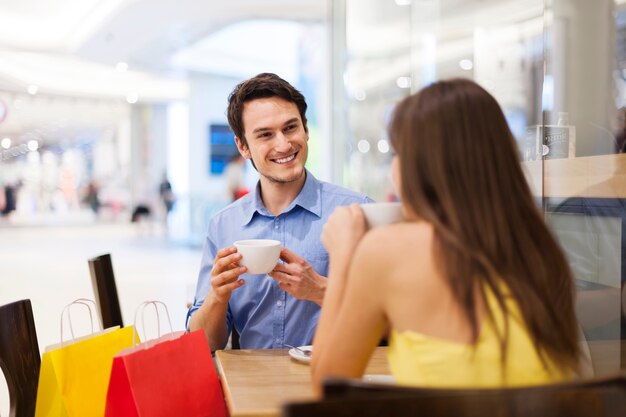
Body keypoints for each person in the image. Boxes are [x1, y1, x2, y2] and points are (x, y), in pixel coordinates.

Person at [312, 79, 580, 391]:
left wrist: (345, 253)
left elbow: (326, 389)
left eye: (398, 154)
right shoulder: (538, 249)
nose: (393, 169)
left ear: (421, 166)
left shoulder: (387, 251)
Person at [186, 73, 371, 350]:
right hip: (249, 388)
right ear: (243, 146)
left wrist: (319, 289)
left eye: (291, 128)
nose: (283, 145)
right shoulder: (224, 226)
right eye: (265, 135)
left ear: (306, 129)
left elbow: (393, 314)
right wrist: (216, 296)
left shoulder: (358, 212)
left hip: (333, 385)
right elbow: (204, 344)